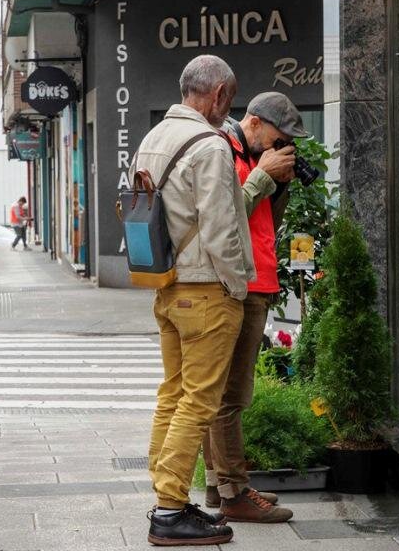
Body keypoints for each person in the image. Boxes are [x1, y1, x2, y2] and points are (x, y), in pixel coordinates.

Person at [135, 54, 253, 546]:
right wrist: (238, 286)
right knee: (199, 401)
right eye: (229, 97)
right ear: (219, 94)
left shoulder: (152, 139)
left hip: (166, 287)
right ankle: (168, 510)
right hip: (206, 289)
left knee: (173, 393)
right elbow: (223, 227)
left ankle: (169, 495)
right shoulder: (211, 145)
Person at [200, 92, 305, 523]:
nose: (280, 145)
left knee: (225, 394)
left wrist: (278, 185)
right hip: (237, 285)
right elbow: (223, 219)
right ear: (256, 122)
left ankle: (215, 484)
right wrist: (262, 176)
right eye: (278, 137)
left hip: (257, 279)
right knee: (232, 395)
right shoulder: (222, 151)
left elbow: (264, 223)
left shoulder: (251, 156)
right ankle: (234, 492)